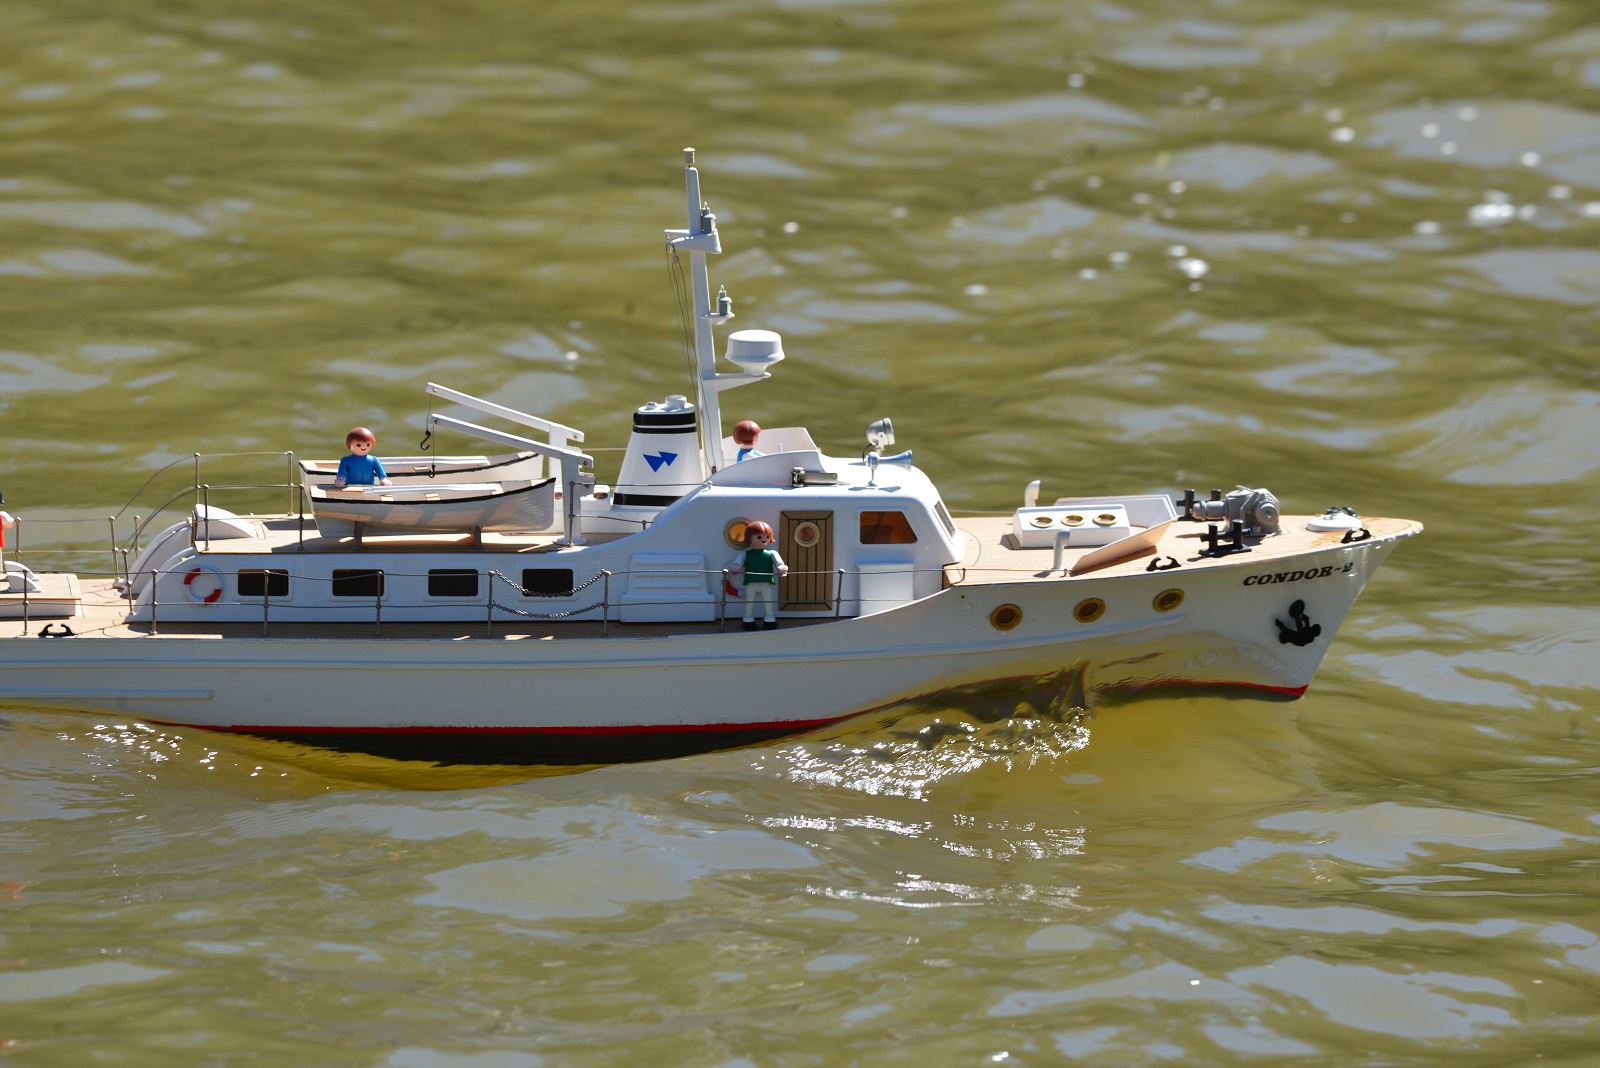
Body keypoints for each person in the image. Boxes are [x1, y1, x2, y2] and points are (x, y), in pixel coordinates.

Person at [728, 520, 788, 630]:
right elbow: (738, 562)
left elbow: (779, 563)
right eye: (759, 537)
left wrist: (781, 567)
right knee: (749, 601)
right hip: (751, 581)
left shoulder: (772, 553)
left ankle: (769, 618)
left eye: (767, 536)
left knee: (768, 601)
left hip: (765, 582)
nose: (764, 539)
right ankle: (748, 618)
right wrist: (736, 566)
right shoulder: (746, 554)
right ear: (749, 538)